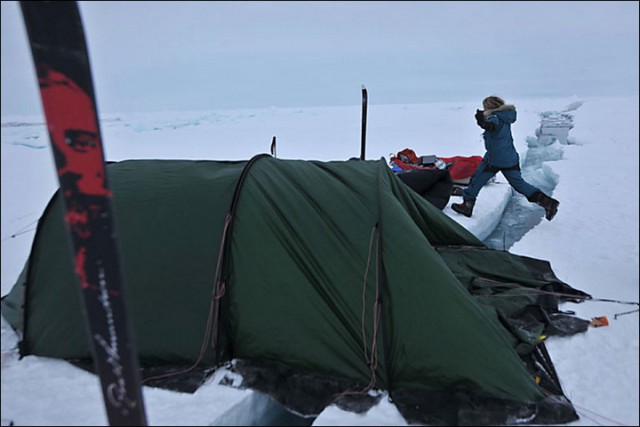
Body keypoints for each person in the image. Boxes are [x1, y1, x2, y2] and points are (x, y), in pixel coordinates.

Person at [451, 96, 559, 221]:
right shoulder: (505, 116)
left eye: (485, 106)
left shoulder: (495, 117)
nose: (484, 109)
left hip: (495, 158)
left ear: (490, 107)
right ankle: (548, 202)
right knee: (519, 184)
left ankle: (467, 206)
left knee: (477, 179)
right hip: (510, 157)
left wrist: (481, 121)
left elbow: (491, 126)